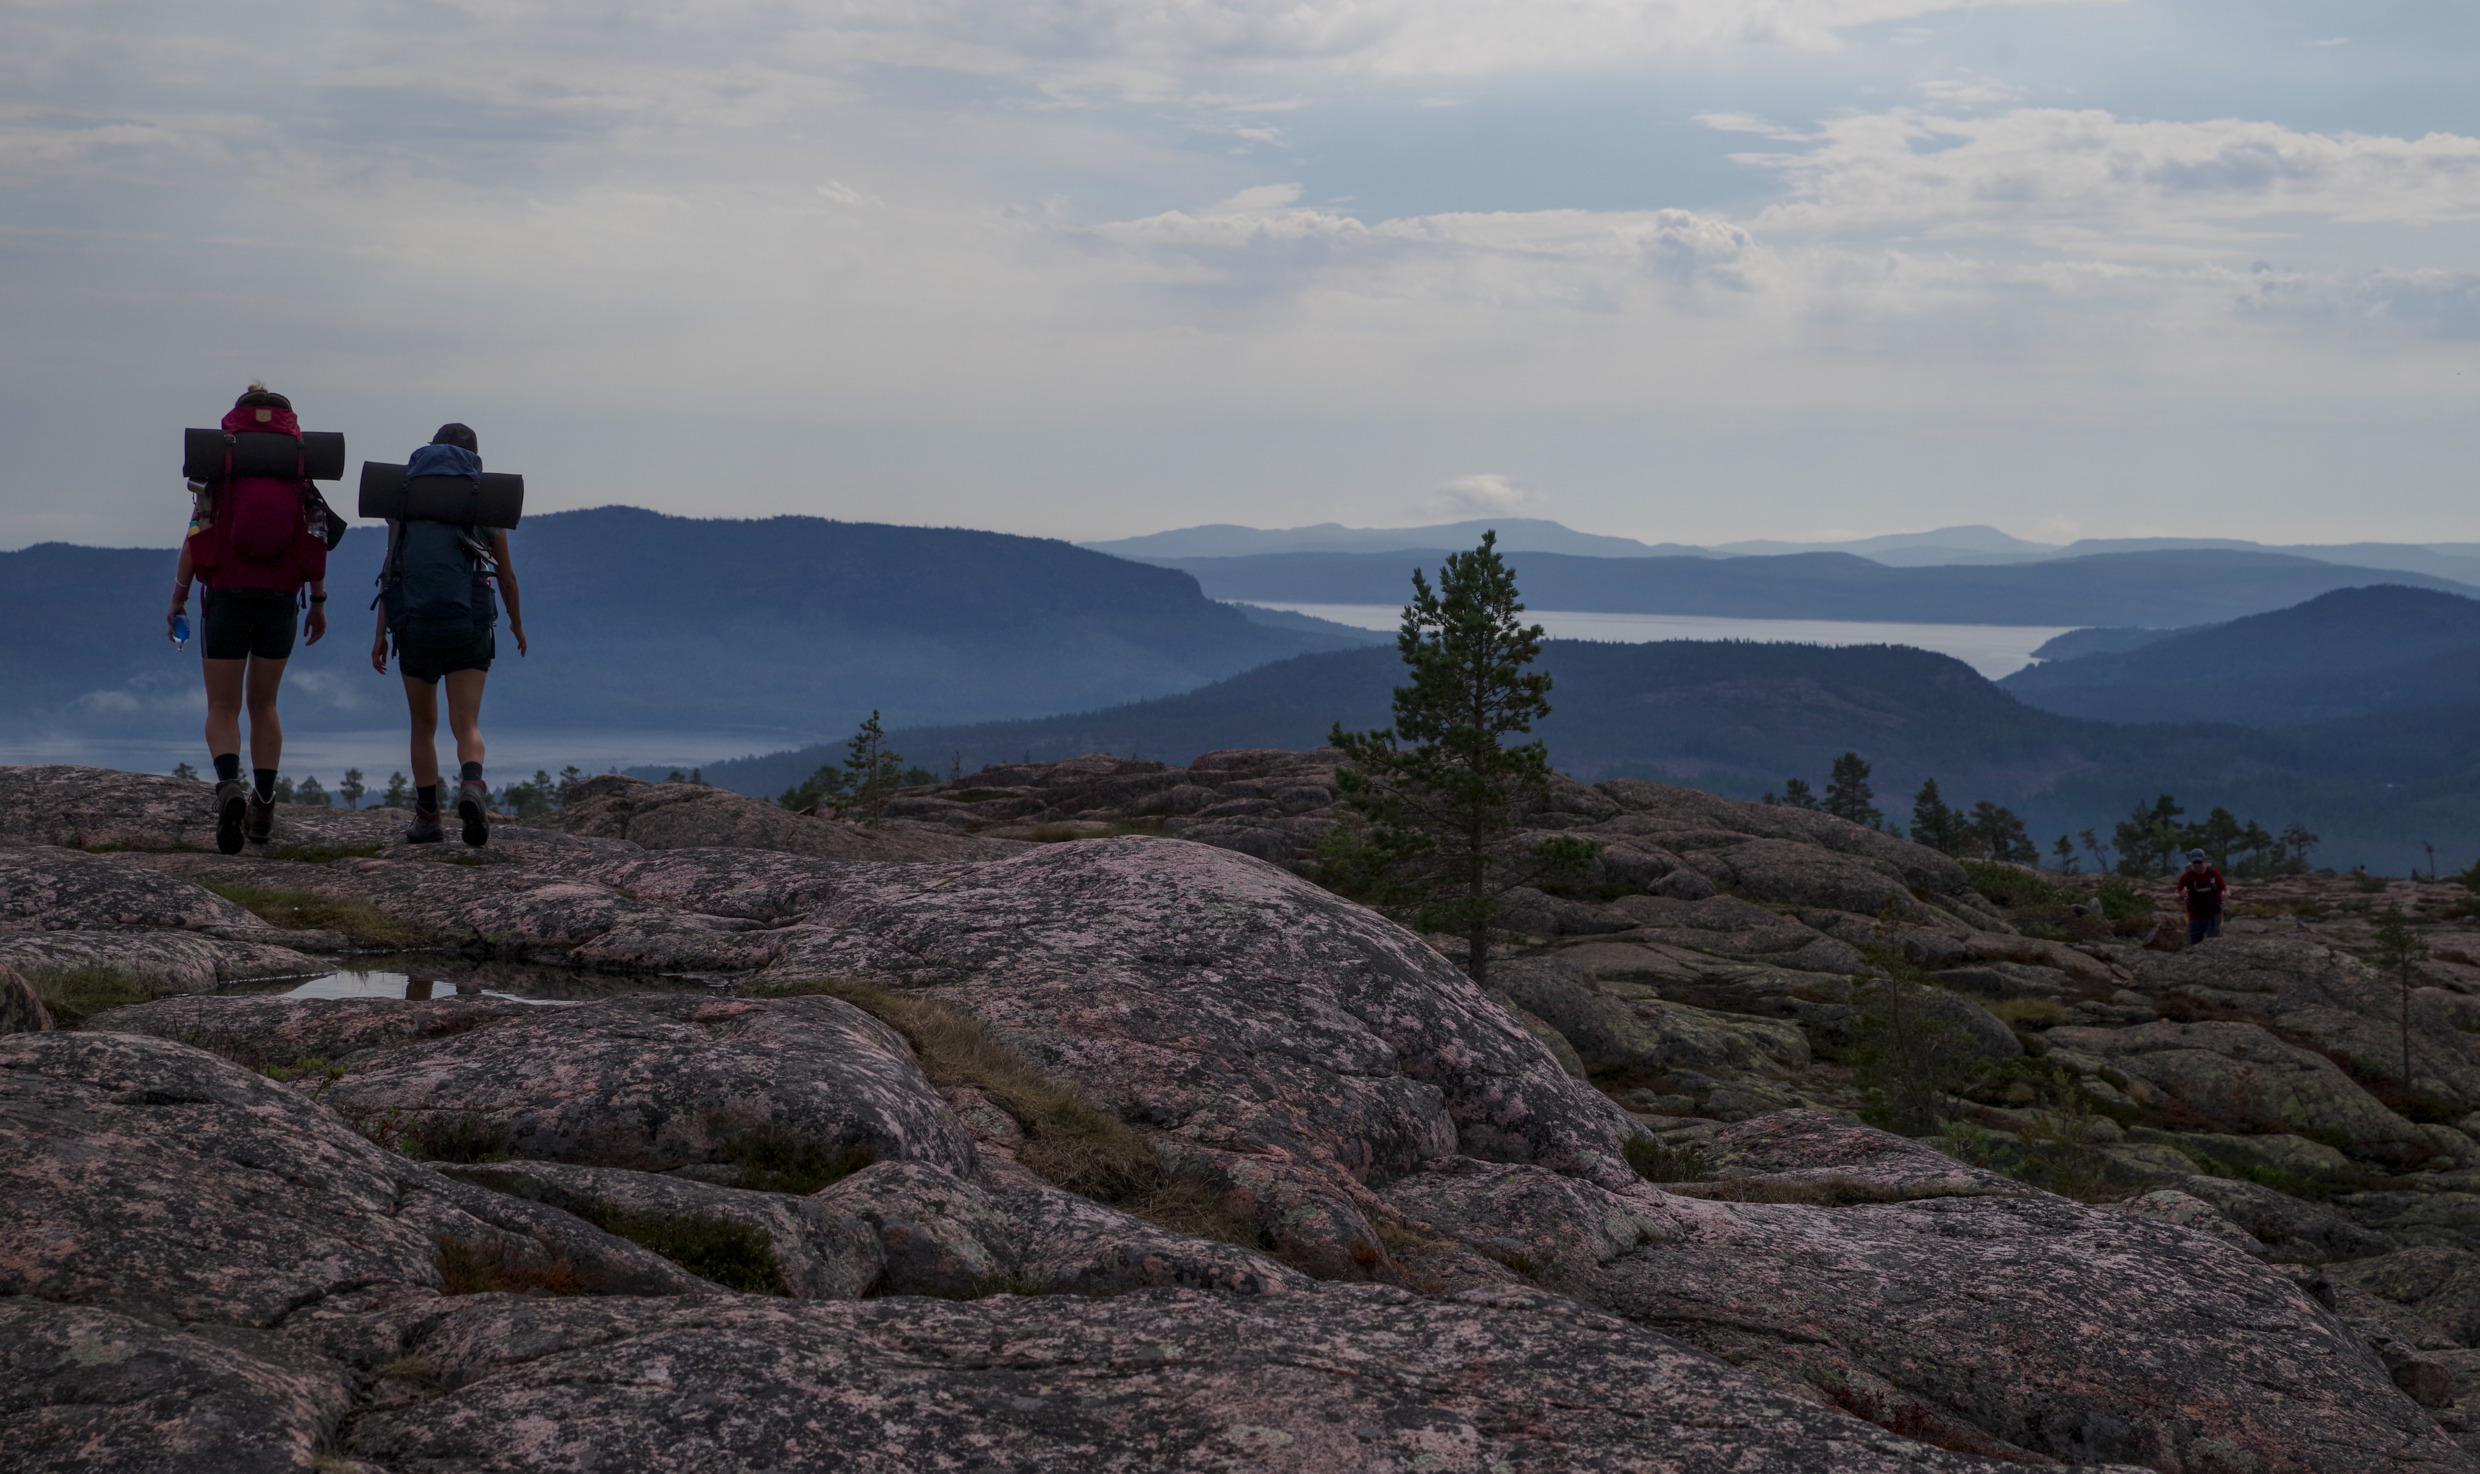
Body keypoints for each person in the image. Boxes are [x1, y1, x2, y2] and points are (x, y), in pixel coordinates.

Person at [167, 383, 331, 854]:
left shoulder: (222, 467)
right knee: (265, 705)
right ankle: (263, 803)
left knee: (223, 707)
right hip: (281, 598)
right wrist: (318, 601)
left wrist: (179, 597)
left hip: (224, 596)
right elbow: (316, 539)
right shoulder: (298, 470)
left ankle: (228, 785)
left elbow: (197, 534)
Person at [370, 423, 526, 846]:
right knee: (466, 723)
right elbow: (507, 577)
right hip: (470, 624)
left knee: (422, 726)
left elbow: (391, 571)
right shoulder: (485, 501)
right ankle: (473, 787)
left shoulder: (405, 500)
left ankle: (428, 819)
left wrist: (381, 633)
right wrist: (516, 623)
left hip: (415, 625)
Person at [2177, 847, 2228, 946]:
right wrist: (2181, 893)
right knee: (2194, 943)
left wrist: (2226, 893)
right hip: (2195, 915)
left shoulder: (2214, 874)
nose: (2197, 865)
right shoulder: (2187, 876)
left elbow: (2224, 888)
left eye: (2199, 862)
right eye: (2194, 862)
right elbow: (2179, 890)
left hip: (2214, 914)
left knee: (2214, 942)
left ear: (2204, 861)